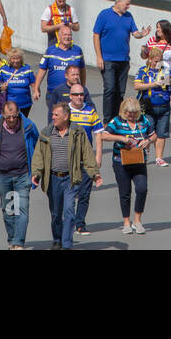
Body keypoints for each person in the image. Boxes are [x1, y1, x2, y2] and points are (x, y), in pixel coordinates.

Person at [32, 100, 102, 250]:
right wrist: (36, 173)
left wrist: (94, 174)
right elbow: (38, 155)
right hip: (53, 178)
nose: (53, 117)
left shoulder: (77, 132)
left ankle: (67, 244)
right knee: (56, 213)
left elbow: (87, 153)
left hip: (71, 178)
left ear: (66, 116)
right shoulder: (46, 133)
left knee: (69, 211)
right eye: (52, 114)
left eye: (56, 115)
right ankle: (57, 239)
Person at [0, 100, 40, 249]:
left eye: (14, 116)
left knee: (22, 208)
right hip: (3, 176)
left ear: (19, 114)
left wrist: (36, 169)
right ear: (3, 115)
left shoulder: (28, 126)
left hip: (23, 175)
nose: (11, 120)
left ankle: (18, 242)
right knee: (9, 210)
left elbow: (38, 144)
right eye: (8, 117)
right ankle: (12, 239)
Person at [101, 96, 155, 235]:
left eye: (134, 113)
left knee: (142, 189)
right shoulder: (117, 121)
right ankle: (126, 222)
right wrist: (121, 138)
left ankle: (137, 220)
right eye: (128, 113)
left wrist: (148, 141)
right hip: (121, 162)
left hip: (139, 160)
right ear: (123, 111)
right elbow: (104, 135)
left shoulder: (144, 120)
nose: (131, 116)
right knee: (125, 192)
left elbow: (154, 135)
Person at [92, 0, 146, 120]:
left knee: (120, 91)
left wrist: (142, 34)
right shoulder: (104, 15)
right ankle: (107, 119)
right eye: (127, 4)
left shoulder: (129, 16)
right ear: (119, 1)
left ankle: (118, 117)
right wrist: (99, 57)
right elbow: (96, 35)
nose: (128, 6)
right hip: (108, 60)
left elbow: (135, 33)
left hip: (123, 60)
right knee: (110, 89)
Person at [66, 83, 104, 236]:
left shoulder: (90, 111)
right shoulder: (64, 111)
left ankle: (80, 224)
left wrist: (98, 155)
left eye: (81, 94)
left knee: (85, 193)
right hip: (68, 159)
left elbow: (98, 134)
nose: (79, 97)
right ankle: (67, 221)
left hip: (86, 158)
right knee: (69, 193)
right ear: (70, 96)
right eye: (76, 95)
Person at [133, 46, 171, 166]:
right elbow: (137, 86)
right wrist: (154, 84)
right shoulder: (143, 71)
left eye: (160, 61)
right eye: (156, 61)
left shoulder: (165, 70)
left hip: (164, 105)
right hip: (148, 106)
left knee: (161, 133)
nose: (158, 63)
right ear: (150, 59)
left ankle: (159, 158)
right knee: (147, 131)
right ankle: (145, 154)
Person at [35, 22, 84, 120]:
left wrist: (82, 87)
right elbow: (42, 70)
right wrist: (36, 88)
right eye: (65, 34)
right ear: (59, 36)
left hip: (72, 95)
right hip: (53, 94)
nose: (67, 37)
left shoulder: (77, 51)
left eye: (69, 35)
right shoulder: (50, 51)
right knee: (55, 120)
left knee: (70, 120)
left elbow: (82, 71)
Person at [0, 48, 39, 118]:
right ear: (9, 59)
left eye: (18, 58)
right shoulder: (4, 70)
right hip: (9, 105)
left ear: (21, 59)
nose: (15, 61)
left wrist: (35, 92)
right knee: (12, 123)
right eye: (13, 58)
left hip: (25, 104)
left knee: (23, 124)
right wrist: (2, 87)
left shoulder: (27, 68)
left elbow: (33, 83)